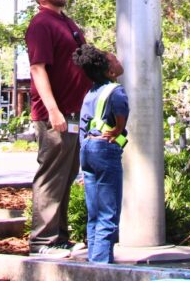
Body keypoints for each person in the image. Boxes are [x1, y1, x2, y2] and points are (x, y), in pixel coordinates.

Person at [25, 0, 91, 258]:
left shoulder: (65, 21)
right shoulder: (41, 24)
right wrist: (53, 110)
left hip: (75, 113)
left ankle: (59, 238)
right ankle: (42, 242)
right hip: (55, 114)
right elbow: (37, 68)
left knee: (67, 174)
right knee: (51, 175)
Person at [74, 44, 128, 264]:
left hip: (88, 148)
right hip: (106, 150)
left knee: (94, 212)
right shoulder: (116, 91)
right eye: (114, 59)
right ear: (111, 72)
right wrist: (117, 130)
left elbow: (83, 126)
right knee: (108, 212)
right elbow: (121, 118)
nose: (118, 59)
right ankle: (101, 267)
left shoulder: (90, 93)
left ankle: (94, 261)